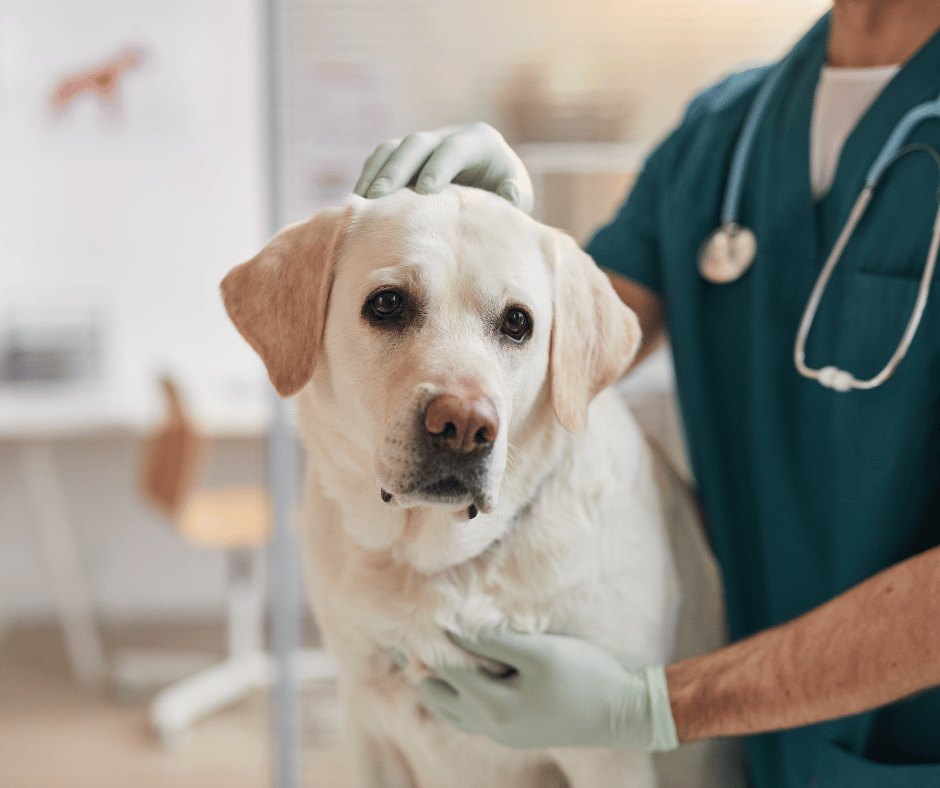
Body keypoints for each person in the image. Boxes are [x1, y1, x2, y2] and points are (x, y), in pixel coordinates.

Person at [353, 1, 940, 786]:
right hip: (756, 749)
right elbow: (564, 349)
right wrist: (493, 240)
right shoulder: (723, 133)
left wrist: (649, 706)